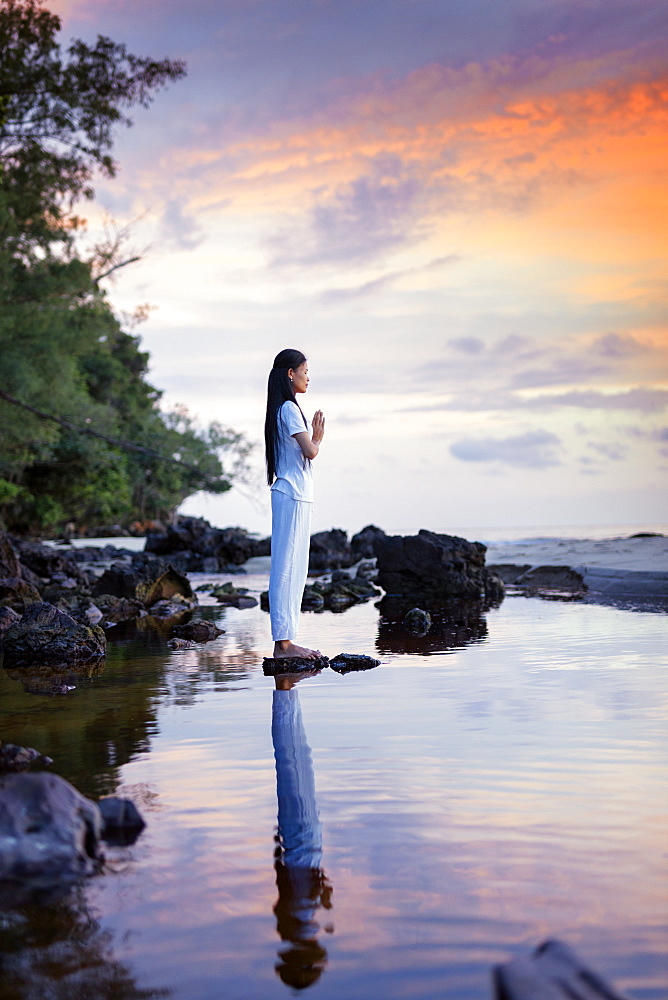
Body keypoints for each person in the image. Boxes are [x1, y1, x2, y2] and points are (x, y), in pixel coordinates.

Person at [265, 348, 325, 659]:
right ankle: (283, 645)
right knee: (286, 569)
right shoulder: (288, 409)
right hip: (291, 493)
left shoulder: (286, 408)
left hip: (296, 494)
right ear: (291, 373)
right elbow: (310, 451)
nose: (308, 377)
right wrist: (317, 437)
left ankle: (287, 641)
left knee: (295, 569)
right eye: (305, 370)